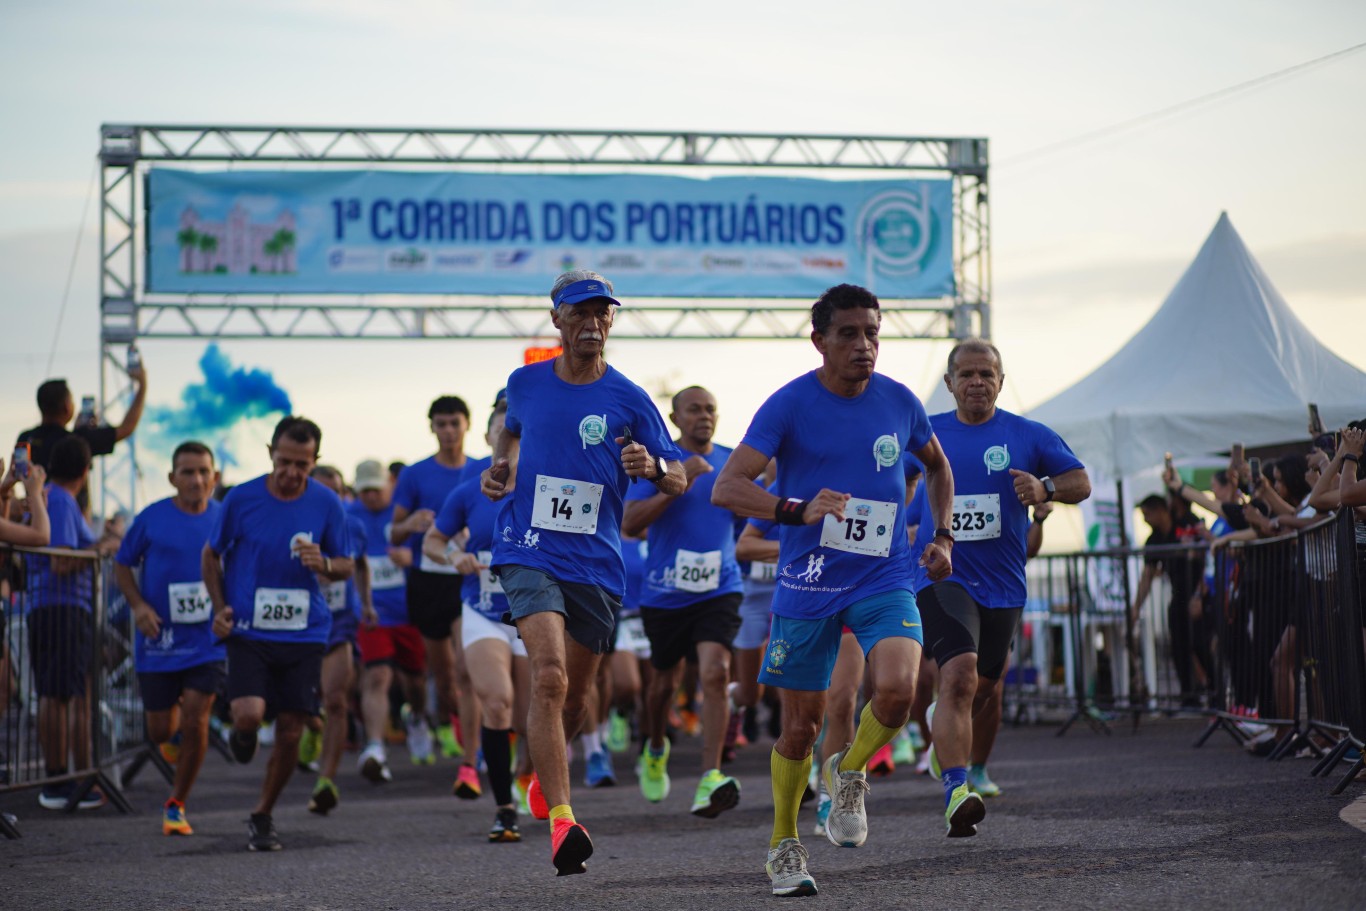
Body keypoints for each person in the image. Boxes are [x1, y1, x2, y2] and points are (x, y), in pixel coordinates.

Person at [710, 283, 955, 898]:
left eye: (872, 332)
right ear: (819, 340)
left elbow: (938, 466)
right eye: (848, 334)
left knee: (898, 692)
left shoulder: (900, 403)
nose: (864, 345)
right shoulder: (788, 405)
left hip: (884, 572)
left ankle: (848, 775)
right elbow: (728, 487)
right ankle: (784, 845)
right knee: (801, 727)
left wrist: (941, 535)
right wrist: (793, 509)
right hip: (808, 581)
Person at [482, 270, 686, 876]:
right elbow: (509, 436)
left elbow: (678, 477)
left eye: (603, 314)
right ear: (558, 320)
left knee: (576, 695)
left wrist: (651, 465)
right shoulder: (524, 382)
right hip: (527, 545)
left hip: (596, 561)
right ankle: (564, 819)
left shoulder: (629, 398)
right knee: (547, 678)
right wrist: (499, 469)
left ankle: (548, 768)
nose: (593, 324)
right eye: (581, 313)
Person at [916, 339, 1088, 834]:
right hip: (943, 574)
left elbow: (1080, 480)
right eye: (966, 374)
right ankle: (957, 790)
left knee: (984, 689)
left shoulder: (1026, 434)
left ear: (1000, 380)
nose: (976, 382)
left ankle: (942, 725)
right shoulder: (927, 435)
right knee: (961, 676)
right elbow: (894, 482)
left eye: (986, 374)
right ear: (949, 383)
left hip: (1004, 585)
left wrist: (1046, 489)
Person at [204, 416, 353, 852]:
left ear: (315, 461)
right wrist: (219, 609)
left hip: (304, 632)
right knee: (249, 713)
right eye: (285, 461)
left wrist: (323, 563)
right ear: (271, 451)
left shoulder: (328, 504)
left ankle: (263, 814)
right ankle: (244, 731)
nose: (291, 472)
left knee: (291, 729)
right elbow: (211, 555)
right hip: (249, 629)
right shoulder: (241, 498)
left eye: (302, 465)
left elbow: (346, 564)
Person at [623, 385, 744, 817]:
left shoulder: (733, 461)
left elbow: (750, 517)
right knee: (661, 687)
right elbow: (630, 523)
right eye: (693, 410)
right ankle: (655, 745)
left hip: (719, 587)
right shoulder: (658, 461)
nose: (704, 416)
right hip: (665, 592)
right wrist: (682, 478)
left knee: (716, 672)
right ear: (675, 419)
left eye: (710, 408)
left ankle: (709, 776)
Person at [426, 405, 533, 842]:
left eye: (519, 433)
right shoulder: (469, 492)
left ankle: (528, 774)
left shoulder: (543, 489)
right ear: (490, 438)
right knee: (497, 702)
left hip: (533, 613)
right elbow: (434, 540)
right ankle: (505, 807)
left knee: (533, 716)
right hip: (484, 612)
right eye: (502, 431)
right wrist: (455, 556)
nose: (509, 439)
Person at [113, 441, 224, 835]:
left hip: (207, 640)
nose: (196, 479)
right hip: (159, 638)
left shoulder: (226, 518)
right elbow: (122, 564)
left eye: (202, 472)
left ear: (215, 477)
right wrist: (139, 606)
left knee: (197, 718)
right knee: (161, 730)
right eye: (187, 472)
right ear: (172, 477)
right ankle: (170, 735)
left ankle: (176, 804)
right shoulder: (151, 518)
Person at [391, 395, 484, 784]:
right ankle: (444, 718)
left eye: (454, 423)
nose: (448, 431)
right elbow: (393, 534)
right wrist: (411, 523)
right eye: (441, 424)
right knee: (444, 679)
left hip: (468, 577)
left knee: (467, 669)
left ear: (467, 425)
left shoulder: (482, 469)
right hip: (428, 580)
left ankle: (471, 756)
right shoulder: (414, 474)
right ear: (432, 427)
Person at [26, 436, 108, 810]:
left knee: (67, 693)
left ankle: (68, 779)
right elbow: (61, 561)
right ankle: (59, 780)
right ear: (86, 470)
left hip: (63, 609)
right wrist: (102, 545)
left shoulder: (61, 499)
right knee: (59, 695)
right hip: (60, 609)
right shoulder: (59, 499)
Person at [349, 459, 425, 784]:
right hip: (373, 615)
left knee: (416, 683)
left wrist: (413, 558)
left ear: (389, 486)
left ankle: (418, 718)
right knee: (377, 675)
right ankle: (376, 748)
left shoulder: (403, 512)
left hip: (410, 613)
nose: (370, 496)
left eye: (375, 489)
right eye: (363, 489)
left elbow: (438, 549)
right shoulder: (349, 517)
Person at [303, 464, 373, 815]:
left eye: (336, 493)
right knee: (299, 701)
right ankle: (311, 725)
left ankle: (325, 780)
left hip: (340, 621)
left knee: (335, 699)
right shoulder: (293, 521)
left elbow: (360, 564)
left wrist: (368, 603)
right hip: (296, 622)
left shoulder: (353, 525)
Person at [17, 372, 148, 508]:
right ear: (67, 407)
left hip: (33, 515)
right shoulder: (77, 441)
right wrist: (143, 386)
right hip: (70, 516)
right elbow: (127, 428)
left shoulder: (25, 438)